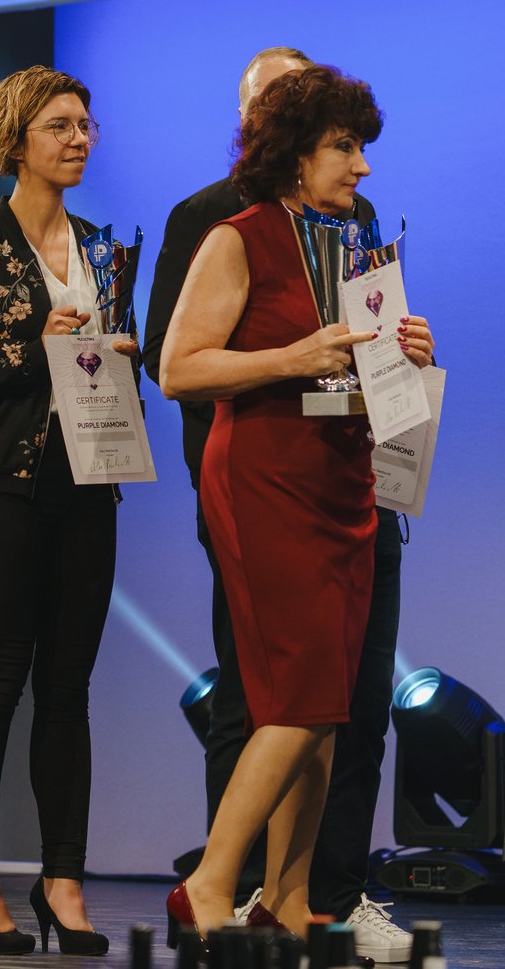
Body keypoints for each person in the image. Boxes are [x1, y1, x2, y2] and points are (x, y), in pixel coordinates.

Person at [143, 47, 428, 962]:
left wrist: (404, 351)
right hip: (265, 479)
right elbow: (179, 367)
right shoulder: (239, 236)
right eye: (345, 146)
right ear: (297, 152)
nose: (363, 166)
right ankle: (209, 884)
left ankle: (291, 900)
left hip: (344, 479)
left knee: (331, 703)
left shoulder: (356, 240)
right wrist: (293, 357)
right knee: (297, 697)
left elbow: (360, 361)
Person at [0, 65, 136, 957]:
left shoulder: (103, 249)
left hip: (90, 484)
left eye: (86, 125)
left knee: (68, 690)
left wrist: (124, 358)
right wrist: (30, 349)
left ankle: (63, 879)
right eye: (60, 126)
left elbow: (106, 362)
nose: (79, 139)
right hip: (2, 489)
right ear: (16, 142)